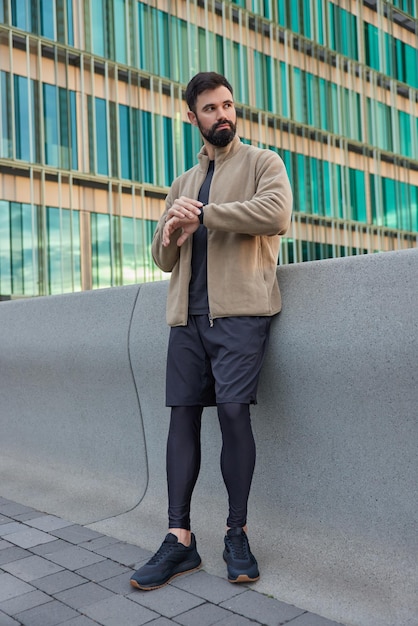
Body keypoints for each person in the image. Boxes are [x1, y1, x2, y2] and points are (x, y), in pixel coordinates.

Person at [130, 71, 292, 591]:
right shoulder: (181, 182)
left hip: (241, 314)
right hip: (186, 320)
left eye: (228, 105)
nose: (222, 115)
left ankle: (236, 533)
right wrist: (172, 227)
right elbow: (160, 258)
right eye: (210, 109)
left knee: (231, 412)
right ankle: (180, 540)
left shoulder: (263, 163)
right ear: (191, 116)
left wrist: (206, 215)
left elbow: (277, 213)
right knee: (181, 418)